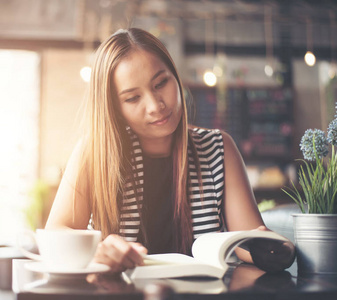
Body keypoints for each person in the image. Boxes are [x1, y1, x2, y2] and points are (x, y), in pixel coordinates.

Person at [45, 28, 294, 273]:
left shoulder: (219, 148)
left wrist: (271, 249)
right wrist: (97, 249)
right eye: (133, 98)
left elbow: (246, 242)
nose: (156, 106)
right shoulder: (94, 153)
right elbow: (56, 234)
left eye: (161, 83)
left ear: (176, 77)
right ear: (113, 108)